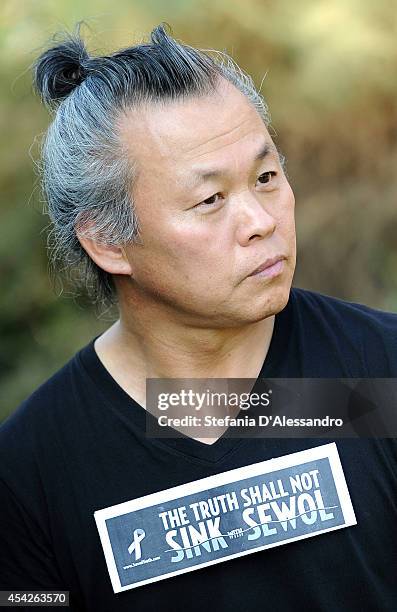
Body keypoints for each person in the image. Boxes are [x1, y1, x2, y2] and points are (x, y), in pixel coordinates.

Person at [0, 23, 396, 612]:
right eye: (210, 199)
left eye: (266, 177)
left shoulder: (377, 380)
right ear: (108, 241)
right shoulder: (34, 470)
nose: (260, 220)